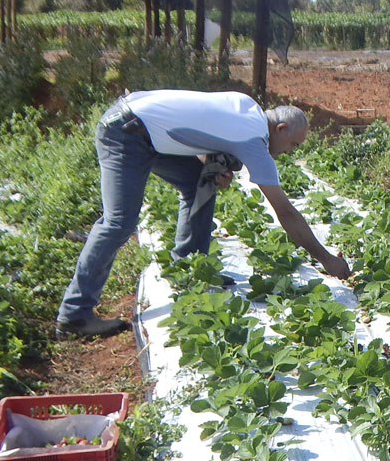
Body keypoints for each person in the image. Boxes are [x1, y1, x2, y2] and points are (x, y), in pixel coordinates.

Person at [56, 90, 350, 338]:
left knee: (200, 181)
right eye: (292, 145)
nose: (288, 152)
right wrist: (327, 260)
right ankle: (75, 314)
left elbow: (194, 127)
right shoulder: (255, 139)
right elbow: (285, 213)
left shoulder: (247, 106)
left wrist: (213, 164)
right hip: (126, 132)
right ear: (281, 129)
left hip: (142, 126)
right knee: (119, 222)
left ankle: (190, 270)